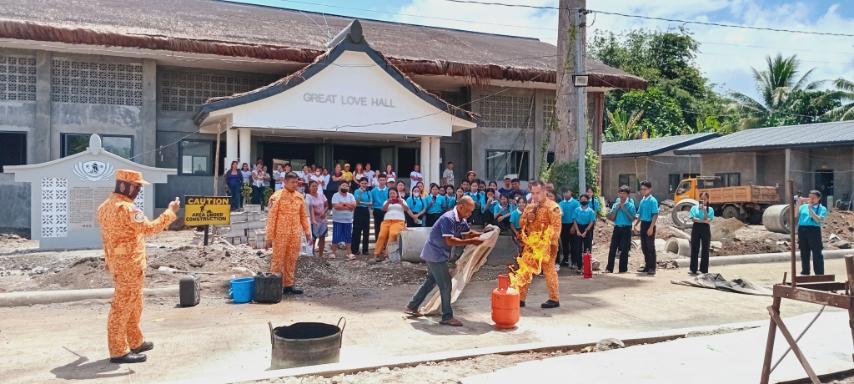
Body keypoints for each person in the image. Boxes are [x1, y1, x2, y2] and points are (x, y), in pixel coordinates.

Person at [97, 169, 180, 364]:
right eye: (137, 187)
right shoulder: (128, 209)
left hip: (119, 263)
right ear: (125, 186)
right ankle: (118, 351)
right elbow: (150, 228)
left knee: (135, 305)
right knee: (122, 307)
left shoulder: (104, 207)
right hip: (129, 265)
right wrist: (170, 212)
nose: (138, 191)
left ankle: (135, 341)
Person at [404, 196, 483, 326]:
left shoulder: (461, 218)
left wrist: (482, 233)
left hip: (437, 254)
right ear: (460, 206)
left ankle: (412, 306)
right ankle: (447, 316)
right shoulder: (449, 218)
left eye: (471, 212)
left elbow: (467, 233)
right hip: (435, 254)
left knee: (430, 281)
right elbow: (450, 240)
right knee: (446, 285)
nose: (469, 214)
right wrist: (472, 241)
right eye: (468, 211)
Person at [518, 181, 562, 309]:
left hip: (547, 244)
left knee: (549, 270)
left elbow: (556, 229)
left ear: (544, 192)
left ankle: (554, 298)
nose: (535, 196)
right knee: (525, 269)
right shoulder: (529, 207)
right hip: (531, 243)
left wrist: (546, 243)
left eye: (538, 193)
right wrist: (527, 219)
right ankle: (520, 298)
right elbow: (521, 223)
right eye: (533, 193)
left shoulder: (553, 207)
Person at [266, 172, 312, 294]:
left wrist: (307, 232)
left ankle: (288, 285)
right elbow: (271, 218)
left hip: (295, 234)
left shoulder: (299, 196)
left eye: (296, 182)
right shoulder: (277, 196)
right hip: (280, 234)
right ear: (285, 182)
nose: (295, 185)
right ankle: (273, 286)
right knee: (278, 260)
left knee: (292, 259)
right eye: (292, 182)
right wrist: (269, 237)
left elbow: (303, 216)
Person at [373, 189, 412, 261]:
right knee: (381, 235)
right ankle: (376, 254)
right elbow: (383, 210)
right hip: (387, 221)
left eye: (393, 193)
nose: (392, 195)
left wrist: (401, 203)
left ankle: (387, 254)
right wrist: (388, 202)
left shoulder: (402, 200)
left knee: (393, 234)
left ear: (397, 194)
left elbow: (406, 209)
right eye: (390, 193)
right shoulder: (386, 201)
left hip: (399, 221)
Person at [796, 190, 828, 275]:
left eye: (813, 198)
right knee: (804, 252)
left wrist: (810, 208)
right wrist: (799, 203)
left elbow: (818, 220)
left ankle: (819, 274)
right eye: (810, 197)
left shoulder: (822, 208)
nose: (811, 199)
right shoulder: (803, 207)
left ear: (819, 198)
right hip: (802, 230)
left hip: (814, 230)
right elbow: (795, 215)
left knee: (817, 252)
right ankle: (805, 272)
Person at [606, 185, 636, 274]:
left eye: (624, 194)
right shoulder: (615, 204)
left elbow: (632, 218)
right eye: (620, 193)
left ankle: (623, 269)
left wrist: (624, 209)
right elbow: (611, 218)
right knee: (612, 248)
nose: (622, 195)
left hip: (626, 228)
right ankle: (609, 268)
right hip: (617, 228)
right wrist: (616, 209)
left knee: (624, 249)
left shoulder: (630, 205)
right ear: (618, 194)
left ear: (628, 195)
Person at [635, 181, 659, 275]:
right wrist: (636, 224)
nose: (643, 191)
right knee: (644, 246)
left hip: (650, 223)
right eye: (641, 189)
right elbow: (640, 214)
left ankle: (652, 267)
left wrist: (651, 227)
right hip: (643, 224)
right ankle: (647, 266)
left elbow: (655, 214)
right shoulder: (642, 200)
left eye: (645, 189)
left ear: (650, 189)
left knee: (650, 247)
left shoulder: (653, 200)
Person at [689, 192, 714, 275]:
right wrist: (703, 221)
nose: (703, 201)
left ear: (707, 200)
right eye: (701, 199)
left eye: (705, 199)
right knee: (694, 247)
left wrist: (704, 210)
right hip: (696, 228)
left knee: (705, 249)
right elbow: (693, 219)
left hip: (705, 229)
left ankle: (703, 269)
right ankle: (693, 269)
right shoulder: (694, 208)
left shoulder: (710, 209)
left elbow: (709, 220)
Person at [331, 182, 357, 260]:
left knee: (348, 237)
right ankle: (333, 253)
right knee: (336, 237)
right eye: (343, 185)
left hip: (348, 220)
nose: (345, 187)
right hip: (337, 220)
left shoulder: (351, 196)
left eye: (346, 185)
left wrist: (343, 203)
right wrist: (348, 206)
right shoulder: (335, 195)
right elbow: (336, 206)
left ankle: (349, 253)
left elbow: (354, 206)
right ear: (339, 186)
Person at [558, 188, 580, 269]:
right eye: (564, 192)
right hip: (563, 225)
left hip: (572, 224)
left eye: (567, 192)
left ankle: (574, 261)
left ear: (571, 192)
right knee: (564, 243)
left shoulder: (576, 203)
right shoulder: (560, 203)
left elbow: (577, 215)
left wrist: (574, 227)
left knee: (573, 244)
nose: (566, 194)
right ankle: (566, 259)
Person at [305, 180, 328, 257]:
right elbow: (309, 208)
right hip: (313, 220)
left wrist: (323, 212)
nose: (315, 187)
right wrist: (316, 213)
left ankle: (321, 255)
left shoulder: (322, 195)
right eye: (313, 186)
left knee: (322, 237)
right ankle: (313, 254)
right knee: (313, 238)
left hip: (323, 219)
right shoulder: (308, 197)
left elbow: (327, 206)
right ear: (309, 187)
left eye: (316, 186)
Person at [573, 194, 596, 267]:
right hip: (578, 228)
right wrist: (577, 231)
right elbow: (574, 220)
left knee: (587, 248)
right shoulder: (577, 210)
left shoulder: (591, 211)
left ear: (588, 200)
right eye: (581, 199)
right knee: (578, 248)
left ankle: (587, 267)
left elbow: (591, 222)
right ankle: (579, 266)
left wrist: (586, 231)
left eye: (584, 200)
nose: (583, 201)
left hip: (587, 229)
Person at [352, 177, 373, 256]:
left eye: (365, 183)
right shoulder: (357, 191)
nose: (364, 185)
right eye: (362, 183)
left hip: (365, 211)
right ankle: (354, 250)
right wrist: (361, 193)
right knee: (356, 231)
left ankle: (365, 250)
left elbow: (371, 203)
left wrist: (362, 202)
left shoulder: (369, 192)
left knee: (366, 231)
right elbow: (357, 202)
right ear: (359, 183)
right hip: (358, 211)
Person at [371, 173, 390, 244]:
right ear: (378, 180)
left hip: (386, 211)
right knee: (377, 228)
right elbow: (371, 202)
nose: (382, 181)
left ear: (386, 180)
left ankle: (386, 245)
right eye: (380, 180)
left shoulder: (389, 190)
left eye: (383, 180)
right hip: (377, 210)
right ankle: (378, 245)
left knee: (386, 228)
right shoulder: (373, 191)